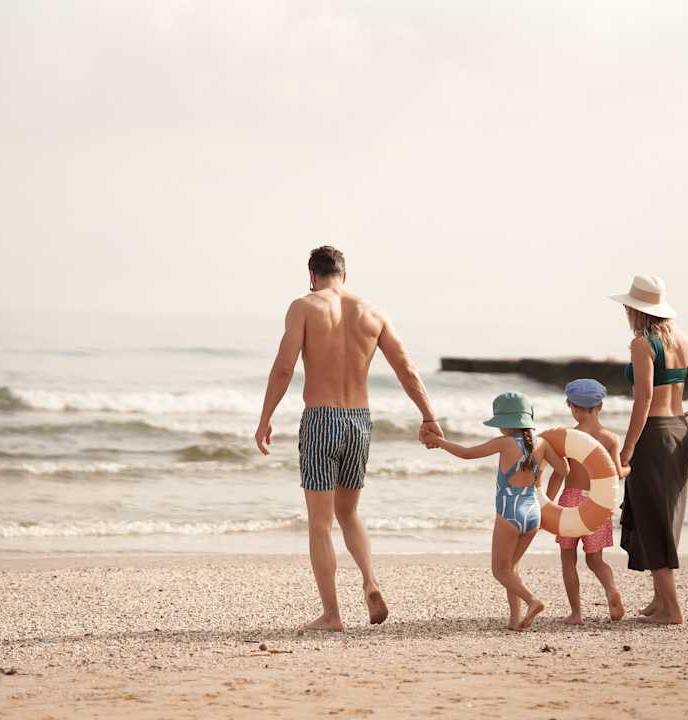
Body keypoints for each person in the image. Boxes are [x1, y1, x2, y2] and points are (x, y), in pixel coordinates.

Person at [255, 246, 443, 632]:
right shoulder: (372, 311)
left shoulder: (304, 307)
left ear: (312, 275)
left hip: (321, 419)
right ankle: (371, 581)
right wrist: (429, 416)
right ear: (345, 274)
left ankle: (332, 615)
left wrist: (265, 418)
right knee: (349, 512)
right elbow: (406, 369)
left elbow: (283, 368)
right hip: (359, 421)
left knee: (320, 523)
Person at [610, 274, 688, 625]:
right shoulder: (686, 342)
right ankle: (660, 601)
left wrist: (627, 448)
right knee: (664, 514)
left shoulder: (642, 345)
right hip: (679, 431)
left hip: (653, 435)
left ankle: (671, 609)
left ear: (635, 310)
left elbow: (642, 399)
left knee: (654, 517)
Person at [424, 392, 568, 631]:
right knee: (511, 569)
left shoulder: (504, 443)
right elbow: (564, 469)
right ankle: (515, 620)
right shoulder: (542, 443)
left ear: (504, 423)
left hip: (510, 512)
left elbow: (467, 453)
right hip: (533, 513)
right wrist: (549, 498)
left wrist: (439, 442)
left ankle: (533, 600)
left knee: (499, 571)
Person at [544, 379, 626, 624]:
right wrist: (629, 467)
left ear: (571, 406)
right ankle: (611, 590)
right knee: (596, 560)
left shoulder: (568, 438)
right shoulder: (610, 438)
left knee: (568, 558)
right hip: (598, 503)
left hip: (571, 501)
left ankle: (577, 614)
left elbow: (559, 473)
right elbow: (618, 473)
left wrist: (545, 503)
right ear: (600, 405)